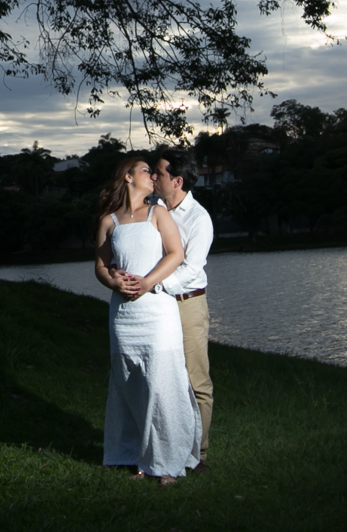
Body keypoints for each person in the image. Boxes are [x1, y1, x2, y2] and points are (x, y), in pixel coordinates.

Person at [95, 157, 201, 484]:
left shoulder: (159, 214)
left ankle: (169, 461)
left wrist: (148, 282)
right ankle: (135, 456)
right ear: (127, 177)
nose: (153, 176)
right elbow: (101, 265)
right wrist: (112, 281)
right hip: (123, 314)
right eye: (145, 171)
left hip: (156, 312)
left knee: (162, 383)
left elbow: (176, 254)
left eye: (154, 173)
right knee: (130, 383)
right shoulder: (109, 221)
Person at [149, 147, 214, 470]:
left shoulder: (199, 218)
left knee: (195, 380)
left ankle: (198, 453)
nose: (152, 177)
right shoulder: (152, 210)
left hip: (187, 303)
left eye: (158, 173)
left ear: (176, 180)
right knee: (163, 377)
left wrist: (155, 285)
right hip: (158, 305)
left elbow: (191, 269)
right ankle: (164, 447)